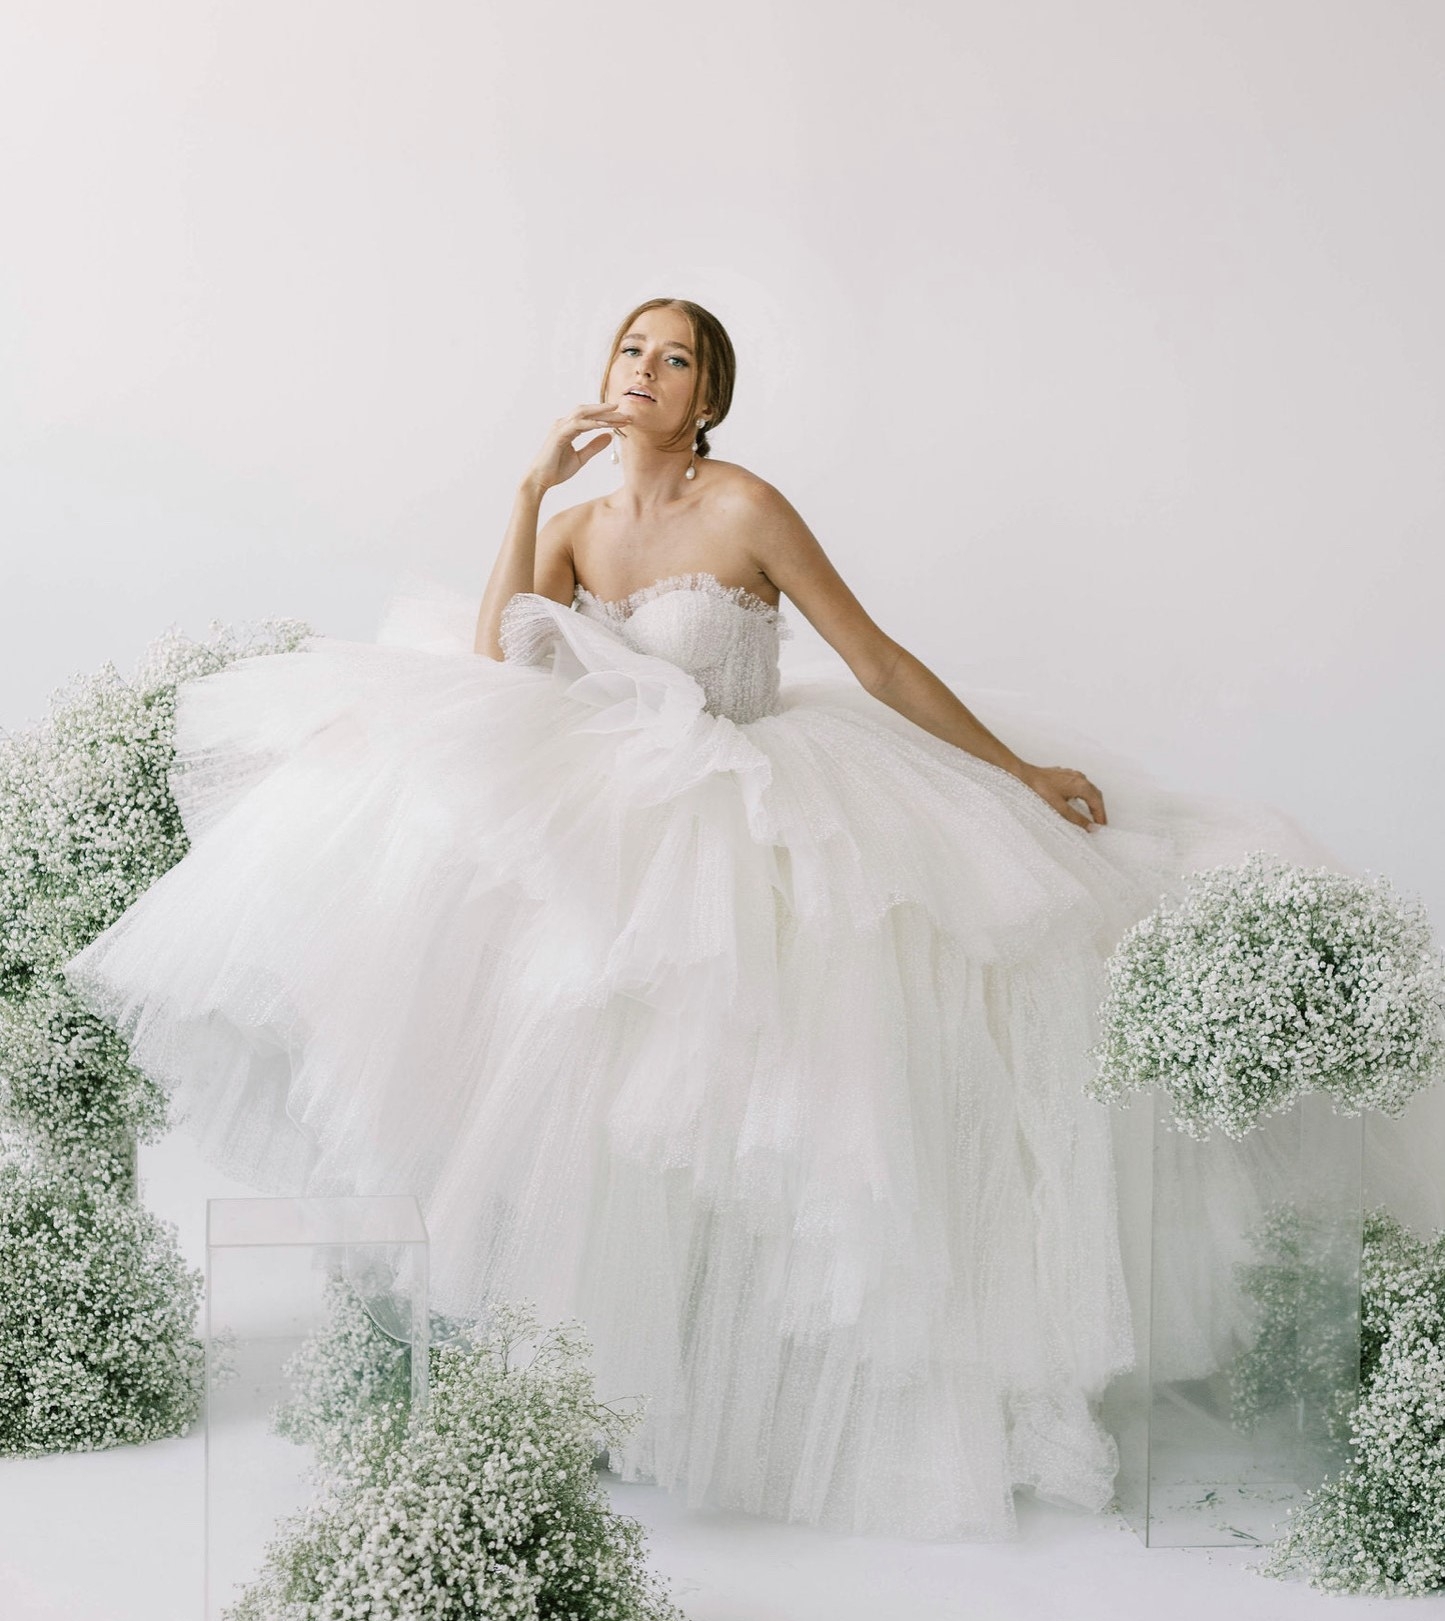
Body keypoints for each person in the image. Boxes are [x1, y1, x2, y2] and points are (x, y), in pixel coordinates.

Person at [64, 296, 1337, 1542]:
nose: (646, 371)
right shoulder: (571, 523)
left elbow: (878, 660)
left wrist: (1012, 771)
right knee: (583, 1074)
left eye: (675, 360)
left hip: (760, 803)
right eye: (632, 349)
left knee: (780, 1097)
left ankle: (782, 1384)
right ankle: (613, 1377)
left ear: (707, 398)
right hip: (623, 814)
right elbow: (501, 664)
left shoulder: (746, 509)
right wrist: (522, 497)